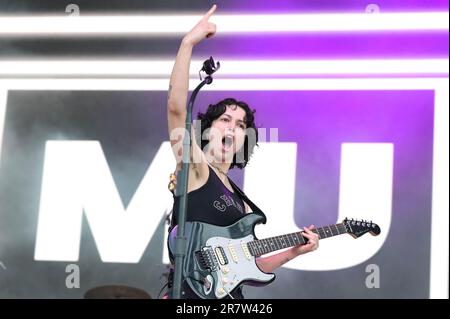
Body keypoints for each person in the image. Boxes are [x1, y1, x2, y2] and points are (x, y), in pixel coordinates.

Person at [166, 4, 319, 299]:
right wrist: (188, 43)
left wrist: (294, 252)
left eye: (240, 125)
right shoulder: (197, 169)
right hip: (191, 295)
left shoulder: (243, 204)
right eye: (225, 120)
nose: (232, 128)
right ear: (208, 130)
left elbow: (249, 266)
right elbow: (175, 109)